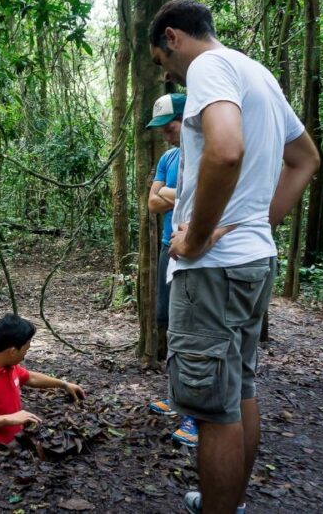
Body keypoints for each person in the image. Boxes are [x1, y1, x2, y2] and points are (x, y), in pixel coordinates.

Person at [149, 0, 320, 513]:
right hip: (251, 262)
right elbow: (304, 158)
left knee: (212, 409)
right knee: (238, 390)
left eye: (162, 61)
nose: (169, 74)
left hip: (214, 270)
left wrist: (196, 237)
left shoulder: (209, 66)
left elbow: (226, 150)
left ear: (173, 37)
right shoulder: (259, 74)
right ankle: (229, 502)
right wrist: (259, 223)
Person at [144, 93, 198, 448]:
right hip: (169, 248)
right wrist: (183, 195)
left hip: (199, 252)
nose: (165, 134)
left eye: (170, 126)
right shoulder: (168, 158)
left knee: (196, 330)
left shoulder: (205, 152)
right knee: (172, 324)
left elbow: (204, 198)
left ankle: (196, 413)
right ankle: (177, 397)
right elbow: (152, 202)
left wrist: (170, 193)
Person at [0, 314, 86, 444]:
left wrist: (64, 384)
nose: (25, 355)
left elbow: (31, 377)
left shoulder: (8, 365)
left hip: (18, 441)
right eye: (25, 350)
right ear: (12, 352)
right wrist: (7, 419)